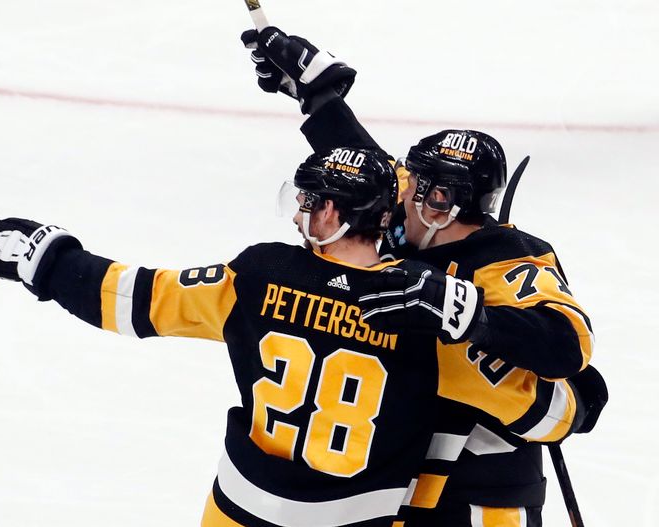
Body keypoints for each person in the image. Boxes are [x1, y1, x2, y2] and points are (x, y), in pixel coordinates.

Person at [0, 146, 587, 526]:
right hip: (356, 520)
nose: (300, 210)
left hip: (242, 509)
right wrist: (578, 397)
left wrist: (45, 259)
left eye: (309, 201)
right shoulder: (422, 320)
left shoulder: (259, 277)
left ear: (332, 215)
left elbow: (139, 300)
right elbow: (545, 412)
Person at [241, 27, 606, 527]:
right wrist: (319, 97)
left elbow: (568, 348)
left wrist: (468, 315)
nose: (400, 193)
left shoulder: (510, 260)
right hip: (404, 480)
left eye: (419, 188)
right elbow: (369, 172)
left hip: (483, 498)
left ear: (442, 204)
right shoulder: (421, 216)